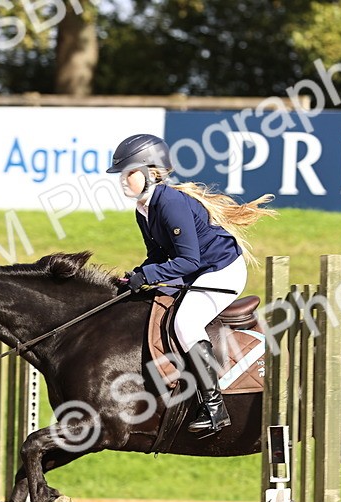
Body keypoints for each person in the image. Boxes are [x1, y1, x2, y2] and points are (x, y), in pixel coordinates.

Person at [108, 133, 275, 438]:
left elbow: (188, 261)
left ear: (150, 173)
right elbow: (158, 255)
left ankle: (214, 407)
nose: (122, 180)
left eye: (129, 172)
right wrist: (136, 275)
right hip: (197, 270)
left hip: (221, 271)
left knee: (185, 322)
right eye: (121, 174)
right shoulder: (143, 209)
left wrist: (149, 275)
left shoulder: (171, 203)